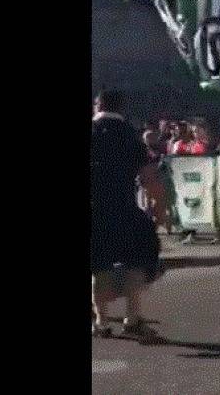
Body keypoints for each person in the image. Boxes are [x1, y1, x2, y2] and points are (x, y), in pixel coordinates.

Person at [91, 90, 162, 338]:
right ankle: (132, 318)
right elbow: (148, 177)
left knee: (98, 265)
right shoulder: (130, 135)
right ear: (121, 108)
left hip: (95, 211)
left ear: (97, 105)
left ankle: (101, 321)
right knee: (138, 260)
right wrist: (155, 207)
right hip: (124, 209)